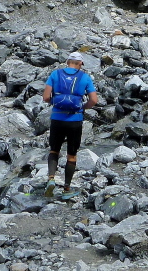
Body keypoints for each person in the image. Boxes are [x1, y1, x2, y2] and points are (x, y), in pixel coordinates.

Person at [42, 51, 98, 200]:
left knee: (54, 150)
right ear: (80, 64)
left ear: (67, 62)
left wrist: (56, 103)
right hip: (75, 120)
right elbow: (94, 100)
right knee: (71, 155)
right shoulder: (85, 77)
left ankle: (51, 179)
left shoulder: (55, 74)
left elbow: (46, 97)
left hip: (57, 118)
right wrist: (83, 107)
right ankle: (66, 188)